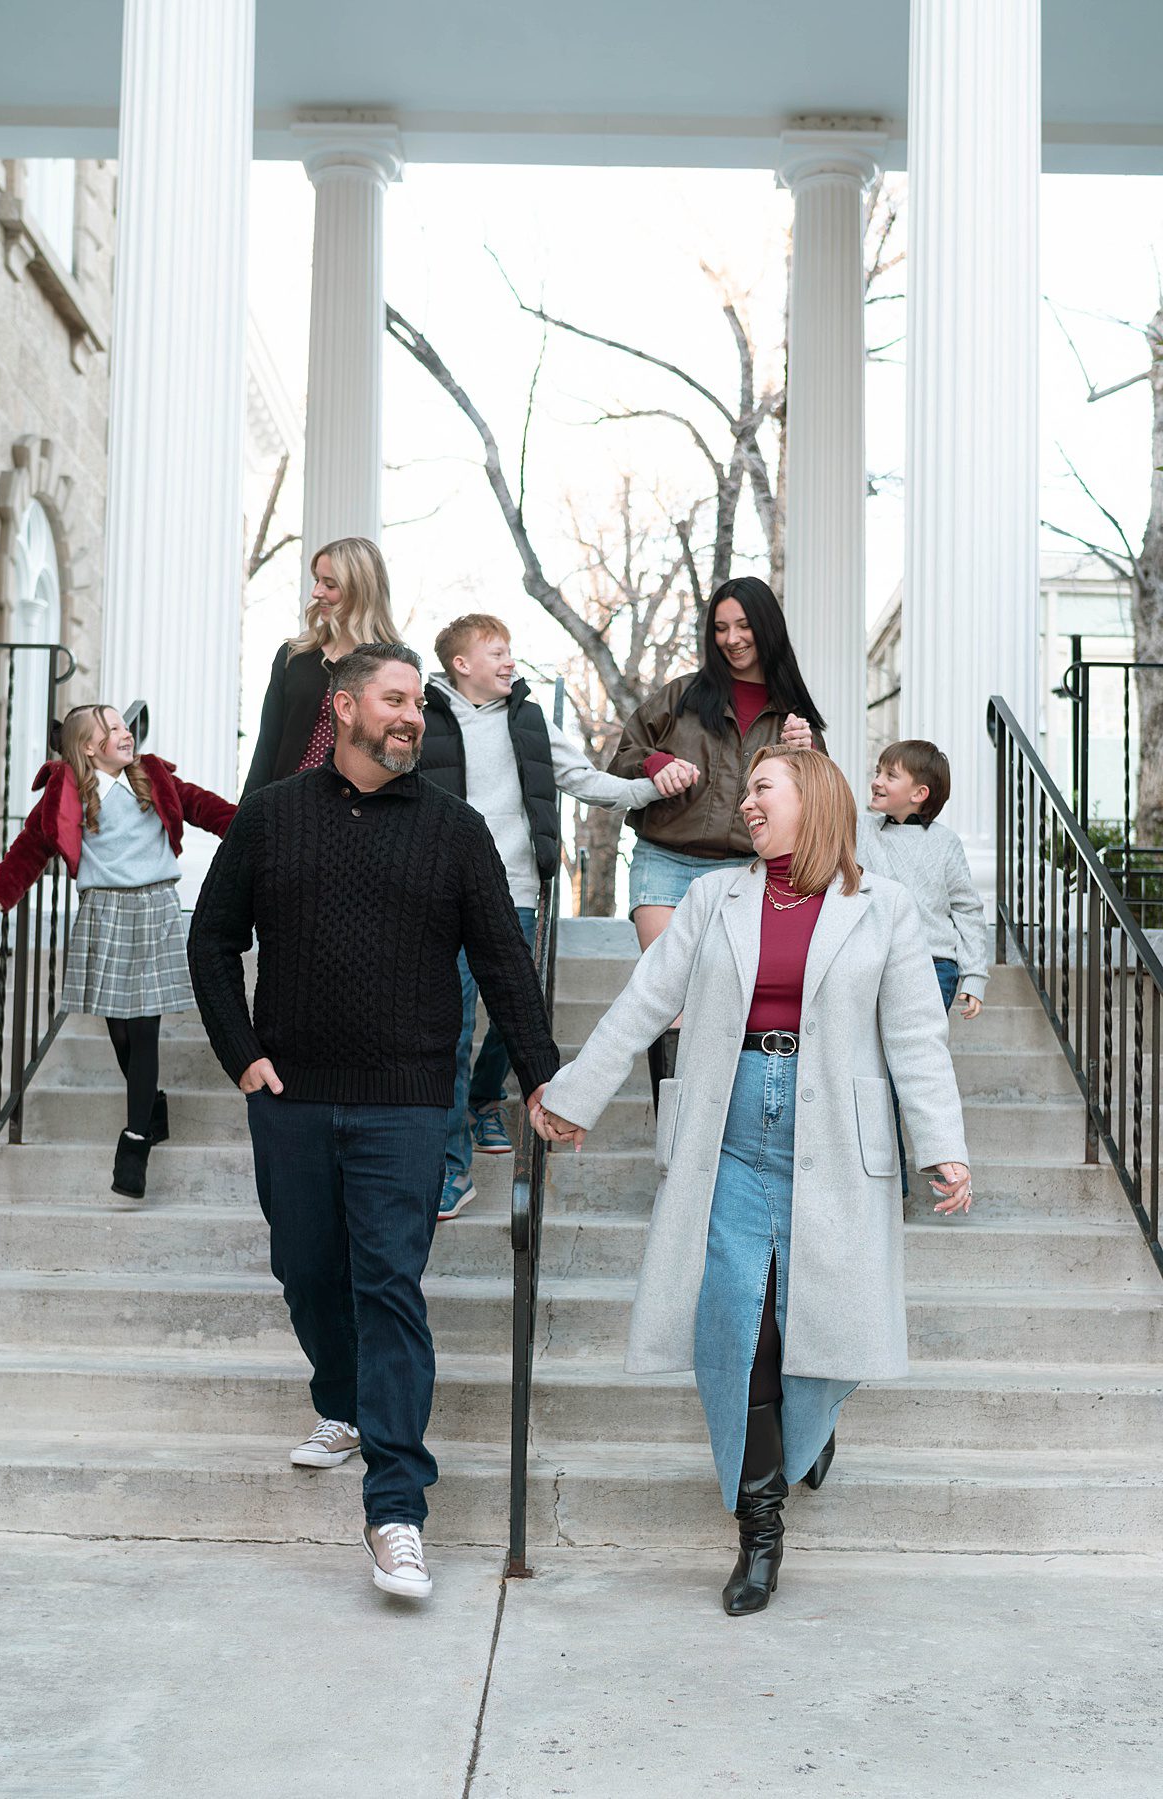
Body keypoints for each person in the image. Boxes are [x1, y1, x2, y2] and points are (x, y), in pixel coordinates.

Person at [532, 746, 971, 1617]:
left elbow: (917, 1036)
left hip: (833, 1130)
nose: (748, 804)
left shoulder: (883, 907)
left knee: (820, 1317)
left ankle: (808, 1427)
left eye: (762, 788)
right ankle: (760, 1526)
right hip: (729, 1124)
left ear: (809, 799)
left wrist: (942, 1146)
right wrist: (578, 1092)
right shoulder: (714, 897)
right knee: (740, 1318)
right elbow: (645, 1001)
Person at [188, 643, 559, 1603]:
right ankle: (344, 1403)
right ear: (345, 708)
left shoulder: (454, 829)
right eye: (394, 701)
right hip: (293, 1097)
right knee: (307, 1272)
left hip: (405, 1102)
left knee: (389, 1284)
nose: (412, 718)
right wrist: (241, 1052)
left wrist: (543, 1078)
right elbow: (213, 938)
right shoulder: (272, 817)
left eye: (419, 707)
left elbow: (506, 967)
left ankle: (396, 1507)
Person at [421, 612, 694, 1219]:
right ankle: (450, 1167)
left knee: (514, 1018)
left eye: (511, 649)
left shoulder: (530, 720)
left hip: (514, 888)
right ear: (461, 664)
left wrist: (654, 789)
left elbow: (588, 782)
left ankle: (486, 1098)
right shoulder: (423, 717)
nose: (510, 661)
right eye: (497, 651)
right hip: (439, 893)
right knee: (452, 1027)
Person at [0, 705, 235, 1199]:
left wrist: (260, 830)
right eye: (112, 729)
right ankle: (152, 1105)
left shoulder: (152, 779)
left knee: (143, 1025)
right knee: (119, 1030)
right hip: (103, 912)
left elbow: (209, 809)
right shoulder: (67, 790)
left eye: (124, 725)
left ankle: (135, 1142)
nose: (126, 733)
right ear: (89, 748)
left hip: (155, 907)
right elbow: (32, 846)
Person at [606, 576, 826, 1102]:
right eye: (721, 627)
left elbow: (818, 803)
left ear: (766, 628)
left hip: (747, 873)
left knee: (730, 1000)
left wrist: (812, 752)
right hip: (665, 861)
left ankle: (722, 1130)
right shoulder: (681, 695)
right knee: (669, 1000)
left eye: (744, 625)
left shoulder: (792, 710)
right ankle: (676, 1139)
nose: (732, 638)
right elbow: (622, 759)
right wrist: (656, 764)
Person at [858, 738, 988, 1196]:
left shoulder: (946, 844)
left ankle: (923, 1167)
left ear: (920, 793)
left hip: (935, 965)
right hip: (873, 961)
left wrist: (974, 975)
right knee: (876, 1073)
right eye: (878, 770)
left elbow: (967, 910)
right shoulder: (861, 831)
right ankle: (885, 1183)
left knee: (906, 1068)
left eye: (890, 775)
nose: (876, 780)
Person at [241, 536, 398, 796]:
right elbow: (266, 748)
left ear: (359, 589)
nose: (317, 593)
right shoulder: (294, 657)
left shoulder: (395, 667)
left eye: (330, 584)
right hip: (290, 806)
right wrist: (244, 821)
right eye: (317, 580)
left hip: (365, 814)